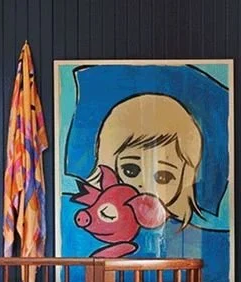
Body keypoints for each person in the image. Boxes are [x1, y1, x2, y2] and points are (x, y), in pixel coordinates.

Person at [87, 93, 204, 228]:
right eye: (130, 171)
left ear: (184, 179)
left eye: (163, 177)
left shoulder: (184, 232)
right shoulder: (90, 217)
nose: (145, 185)